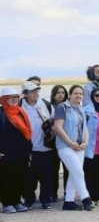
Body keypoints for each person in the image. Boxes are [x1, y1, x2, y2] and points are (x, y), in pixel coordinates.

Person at [52, 85, 94, 211]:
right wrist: (70, 142)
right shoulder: (62, 107)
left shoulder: (81, 109)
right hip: (65, 146)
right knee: (79, 172)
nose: (78, 95)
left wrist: (86, 142)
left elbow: (85, 127)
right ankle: (86, 199)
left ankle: (69, 201)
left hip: (79, 147)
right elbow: (57, 127)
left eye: (80, 94)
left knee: (74, 173)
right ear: (70, 95)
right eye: (76, 93)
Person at [20, 81, 55, 209]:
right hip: (28, 149)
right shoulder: (19, 107)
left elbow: (55, 121)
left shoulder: (46, 104)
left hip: (46, 147)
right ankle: (29, 199)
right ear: (25, 94)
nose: (35, 93)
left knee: (47, 175)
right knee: (29, 177)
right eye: (32, 92)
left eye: (37, 91)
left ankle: (46, 199)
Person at [0, 88, 33, 214]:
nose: (14, 100)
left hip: (21, 152)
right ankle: (7, 203)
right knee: (7, 178)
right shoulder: (1, 113)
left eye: (16, 97)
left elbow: (27, 133)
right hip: (5, 152)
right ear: (4, 99)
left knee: (21, 176)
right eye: (11, 97)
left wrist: (28, 151)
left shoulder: (21, 112)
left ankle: (17, 201)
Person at [50, 85, 68, 201]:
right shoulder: (49, 107)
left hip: (66, 141)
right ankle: (53, 193)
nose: (61, 95)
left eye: (63, 92)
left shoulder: (69, 107)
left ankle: (67, 192)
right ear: (53, 95)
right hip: (53, 142)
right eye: (58, 92)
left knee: (67, 168)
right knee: (53, 168)